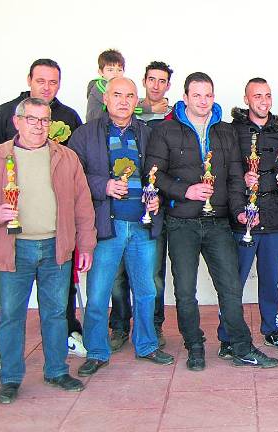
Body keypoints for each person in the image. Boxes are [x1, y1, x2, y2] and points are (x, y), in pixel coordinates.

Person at [146, 72, 278, 370]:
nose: (203, 101)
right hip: (181, 222)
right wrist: (186, 191)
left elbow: (234, 178)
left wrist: (239, 211)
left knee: (231, 287)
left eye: (208, 95)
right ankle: (194, 345)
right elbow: (154, 174)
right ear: (185, 98)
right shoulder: (166, 131)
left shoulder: (225, 132)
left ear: (213, 97)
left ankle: (241, 346)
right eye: (197, 95)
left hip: (218, 222)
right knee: (184, 290)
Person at [0, 97, 96, 403]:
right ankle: (11, 378)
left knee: (56, 314)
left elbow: (83, 205)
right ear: (17, 122)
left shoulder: (65, 157)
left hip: (56, 247)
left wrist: (85, 245)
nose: (38, 126)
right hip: (14, 249)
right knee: (11, 316)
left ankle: (56, 370)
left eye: (44, 120)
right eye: (32, 119)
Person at [69, 78, 175, 377]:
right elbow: (73, 177)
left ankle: (147, 345)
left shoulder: (148, 133)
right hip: (107, 227)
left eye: (130, 96)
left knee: (146, 291)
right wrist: (103, 185)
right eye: (117, 95)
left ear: (137, 100)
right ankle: (97, 350)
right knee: (99, 293)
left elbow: (162, 174)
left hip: (142, 226)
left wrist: (157, 199)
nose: (124, 101)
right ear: (105, 99)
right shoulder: (85, 134)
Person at [217, 77, 278, 357]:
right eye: (257, 96)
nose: (263, 101)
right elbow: (223, 170)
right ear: (247, 99)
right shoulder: (231, 131)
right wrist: (241, 177)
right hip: (243, 218)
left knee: (270, 278)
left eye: (267, 96)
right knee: (234, 281)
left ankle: (272, 330)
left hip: (274, 216)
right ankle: (228, 336)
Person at [108, 61, 174, 352]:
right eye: (152, 80)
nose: (156, 85)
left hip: (153, 208)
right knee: (118, 276)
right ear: (143, 82)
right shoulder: (124, 112)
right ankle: (120, 326)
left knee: (152, 275)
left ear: (169, 86)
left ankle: (153, 326)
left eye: (162, 81)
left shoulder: (173, 116)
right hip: (115, 210)